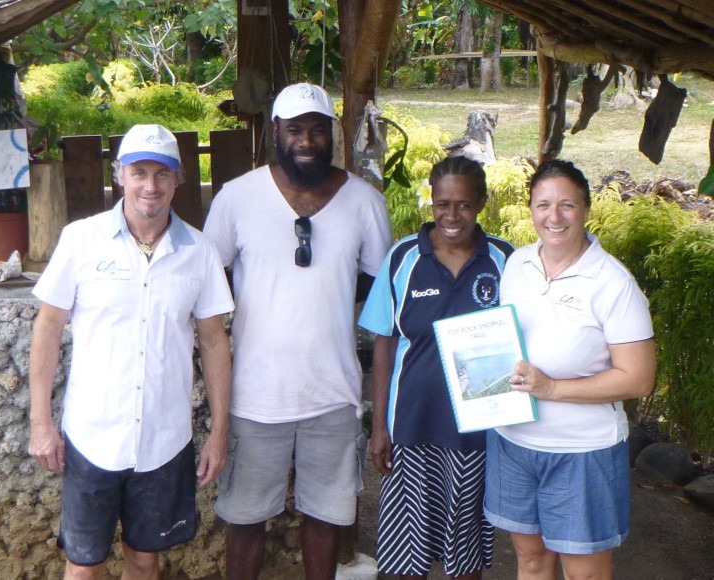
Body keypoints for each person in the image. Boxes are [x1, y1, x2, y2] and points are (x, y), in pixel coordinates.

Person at [203, 82, 392, 579]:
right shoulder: (237, 198)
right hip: (254, 395)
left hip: (332, 393)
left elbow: (377, 292)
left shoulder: (364, 203)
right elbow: (209, 281)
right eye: (294, 130)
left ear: (331, 134)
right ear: (275, 134)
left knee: (326, 517)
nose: (306, 140)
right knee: (244, 519)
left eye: (316, 129)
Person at [28, 124, 234, 580]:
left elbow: (214, 341)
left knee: (145, 560)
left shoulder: (199, 251)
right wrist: (41, 423)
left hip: (164, 440)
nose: (151, 186)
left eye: (162, 174)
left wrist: (219, 433)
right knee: (83, 565)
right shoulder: (82, 240)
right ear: (118, 174)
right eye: (139, 172)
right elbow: (47, 328)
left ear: (178, 180)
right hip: (91, 437)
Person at [484, 159, 656, 580]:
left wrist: (553, 388)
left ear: (586, 210)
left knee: (586, 574)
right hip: (514, 440)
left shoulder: (612, 282)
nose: (554, 216)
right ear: (530, 209)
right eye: (543, 204)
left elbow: (638, 378)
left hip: (582, 450)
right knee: (530, 559)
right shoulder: (516, 265)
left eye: (567, 205)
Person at [358, 156, 514, 579]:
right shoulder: (402, 258)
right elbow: (384, 344)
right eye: (442, 203)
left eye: (463, 204)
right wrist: (379, 427)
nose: (452, 215)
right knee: (406, 557)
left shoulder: (505, 261)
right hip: (412, 428)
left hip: (477, 435)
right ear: (431, 201)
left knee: (465, 558)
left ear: (481, 202)